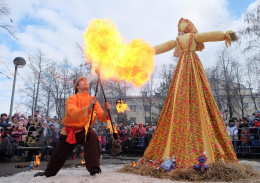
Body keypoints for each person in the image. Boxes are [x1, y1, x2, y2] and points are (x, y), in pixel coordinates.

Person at [141, 18, 238, 167]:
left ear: (182, 29)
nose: (179, 32)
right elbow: (208, 36)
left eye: (180, 29)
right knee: (195, 90)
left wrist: (148, 51)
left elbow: (164, 46)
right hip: (191, 64)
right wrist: (224, 35)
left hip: (183, 67)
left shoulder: (180, 40)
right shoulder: (192, 37)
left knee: (181, 91)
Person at [34, 76, 111, 177]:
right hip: (69, 131)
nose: (85, 81)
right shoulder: (71, 99)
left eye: (86, 80)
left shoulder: (93, 100)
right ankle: (48, 173)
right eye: (82, 80)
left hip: (84, 130)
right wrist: (89, 107)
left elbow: (102, 117)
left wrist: (106, 111)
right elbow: (73, 114)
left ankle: (94, 171)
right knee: (59, 154)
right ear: (77, 86)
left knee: (92, 137)